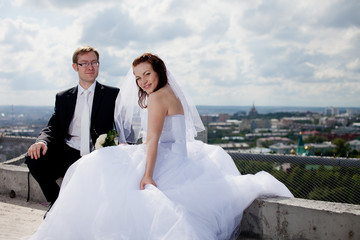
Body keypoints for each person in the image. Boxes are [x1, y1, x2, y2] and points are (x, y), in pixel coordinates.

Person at [28, 53, 293, 240]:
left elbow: (153, 140)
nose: (143, 81)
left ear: (158, 71)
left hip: (164, 157)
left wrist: (147, 174)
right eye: (138, 77)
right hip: (180, 155)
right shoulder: (170, 93)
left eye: (147, 74)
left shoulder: (157, 97)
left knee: (98, 167)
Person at [25, 46, 120, 210]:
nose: (90, 67)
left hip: (98, 154)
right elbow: (53, 125)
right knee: (33, 158)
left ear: (98, 65)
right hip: (68, 152)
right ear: (75, 67)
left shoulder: (112, 94)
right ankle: (57, 204)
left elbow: (120, 126)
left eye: (94, 62)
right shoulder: (63, 97)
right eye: (84, 63)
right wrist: (41, 141)